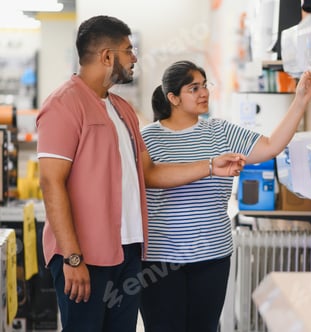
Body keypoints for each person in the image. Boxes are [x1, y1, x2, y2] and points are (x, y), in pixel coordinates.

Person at [36, 16, 245, 332]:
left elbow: (150, 173)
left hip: (127, 253)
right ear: (107, 56)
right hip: (85, 258)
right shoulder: (63, 105)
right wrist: (72, 258)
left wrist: (211, 166)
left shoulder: (121, 109)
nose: (134, 58)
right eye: (127, 50)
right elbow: (51, 182)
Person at [139, 60, 311, 332]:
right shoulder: (148, 138)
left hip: (212, 254)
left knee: (206, 327)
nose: (204, 93)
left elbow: (270, 147)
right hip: (160, 259)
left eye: (205, 85)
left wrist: (300, 100)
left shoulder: (220, 131)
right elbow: (149, 179)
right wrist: (209, 167)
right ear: (173, 98)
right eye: (193, 88)